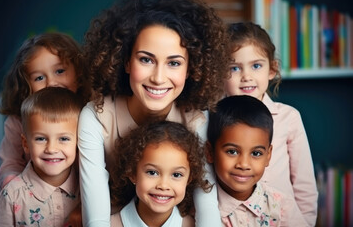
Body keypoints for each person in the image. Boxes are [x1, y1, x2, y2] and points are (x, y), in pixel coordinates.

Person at [79, 0, 228, 226]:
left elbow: (206, 202)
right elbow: (96, 217)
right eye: (146, 60)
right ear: (126, 62)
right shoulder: (96, 116)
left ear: (191, 69)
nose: (158, 78)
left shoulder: (196, 117)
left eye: (174, 63)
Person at [223, 22, 318, 226]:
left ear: (271, 69)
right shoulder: (214, 118)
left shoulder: (288, 117)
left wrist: (305, 222)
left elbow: (304, 184)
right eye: (234, 68)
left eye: (256, 66)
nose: (246, 76)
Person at [0, 87, 84, 226]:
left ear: (78, 142)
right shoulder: (11, 196)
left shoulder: (87, 189)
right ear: (26, 144)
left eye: (63, 139)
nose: (51, 149)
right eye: (41, 139)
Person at [0, 32, 89, 189]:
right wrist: (12, 187)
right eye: (39, 78)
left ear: (78, 73)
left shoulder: (88, 114)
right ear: (26, 85)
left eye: (60, 71)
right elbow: (11, 162)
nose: (51, 82)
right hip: (32, 198)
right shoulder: (18, 121)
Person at [206, 95, 308, 226]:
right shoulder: (198, 207)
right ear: (210, 152)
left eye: (256, 153)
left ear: (268, 155)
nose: (244, 164)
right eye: (232, 151)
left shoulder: (282, 206)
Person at [109, 121, 211, 227]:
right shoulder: (108, 224)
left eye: (176, 175)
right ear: (132, 173)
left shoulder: (194, 225)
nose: (163, 185)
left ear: (189, 179)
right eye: (152, 172)